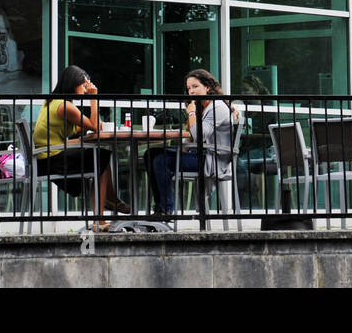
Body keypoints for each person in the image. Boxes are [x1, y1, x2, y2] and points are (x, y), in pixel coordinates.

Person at [32, 66, 131, 223]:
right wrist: (94, 98)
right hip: (50, 160)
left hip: (46, 158)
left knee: (101, 158)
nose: (86, 90)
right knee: (102, 157)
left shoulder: (54, 103)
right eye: (84, 86)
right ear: (73, 83)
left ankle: (108, 202)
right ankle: (103, 211)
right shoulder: (64, 106)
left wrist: (93, 124)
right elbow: (93, 125)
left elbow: (93, 126)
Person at [143, 69, 234, 220]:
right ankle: (159, 208)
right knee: (150, 154)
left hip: (212, 160)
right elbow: (191, 137)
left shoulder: (216, 106)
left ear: (207, 87)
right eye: (189, 88)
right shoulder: (202, 106)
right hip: (199, 154)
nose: (191, 91)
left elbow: (199, 136)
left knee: (161, 160)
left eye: (195, 86)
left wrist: (191, 113)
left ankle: (166, 210)